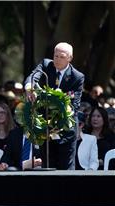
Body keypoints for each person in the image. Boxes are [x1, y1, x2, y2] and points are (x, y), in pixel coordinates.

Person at [24, 42, 84, 170]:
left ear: (70, 58)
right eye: (55, 56)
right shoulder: (46, 65)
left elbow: (74, 106)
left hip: (65, 130)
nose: (57, 59)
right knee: (47, 166)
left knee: (65, 168)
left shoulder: (77, 77)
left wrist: (57, 117)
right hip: (45, 128)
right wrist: (29, 87)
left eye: (61, 57)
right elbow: (33, 76)